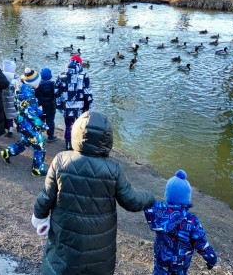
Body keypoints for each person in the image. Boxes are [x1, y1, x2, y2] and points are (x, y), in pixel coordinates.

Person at [32, 111, 155, 274]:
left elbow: (46, 197)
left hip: (66, 235)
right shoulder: (113, 169)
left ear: (76, 133)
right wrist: (150, 197)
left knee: (61, 264)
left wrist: (39, 217)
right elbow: (132, 201)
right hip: (100, 244)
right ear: (107, 139)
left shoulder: (61, 160)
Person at [144, 170, 218, 275]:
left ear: (167, 194)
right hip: (180, 266)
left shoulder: (156, 212)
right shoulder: (191, 220)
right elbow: (201, 243)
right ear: (186, 199)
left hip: (161, 262)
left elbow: (146, 204)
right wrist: (212, 259)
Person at [0, 68, 48, 177]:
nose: (39, 83)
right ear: (33, 83)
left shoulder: (20, 90)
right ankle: (37, 169)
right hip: (29, 126)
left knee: (25, 142)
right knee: (40, 146)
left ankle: (8, 152)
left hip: (21, 123)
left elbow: (21, 108)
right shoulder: (30, 97)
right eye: (38, 81)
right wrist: (43, 125)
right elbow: (32, 116)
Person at [54, 55, 93, 150]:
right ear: (80, 64)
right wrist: (88, 108)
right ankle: (78, 144)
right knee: (80, 125)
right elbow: (88, 93)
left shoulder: (61, 75)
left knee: (68, 125)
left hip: (66, 107)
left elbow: (56, 92)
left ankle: (68, 144)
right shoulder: (84, 75)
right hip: (80, 107)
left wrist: (59, 106)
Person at [35, 68, 57, 143]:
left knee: (40, 119)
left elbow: (36, 95)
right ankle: (50, 136)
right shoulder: (53, 85)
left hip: (41, 106)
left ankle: (39, 135)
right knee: (50, 121)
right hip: (50, 106)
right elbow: (56, 95)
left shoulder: (38, 85)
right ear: (50, 76)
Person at [1, 60, 18, 138]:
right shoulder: (15, 78)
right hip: (13, 101)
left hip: (3, 100)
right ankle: (15, 129)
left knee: (6, 115)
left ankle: (8, 129)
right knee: (13, 115)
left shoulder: (1, 76)